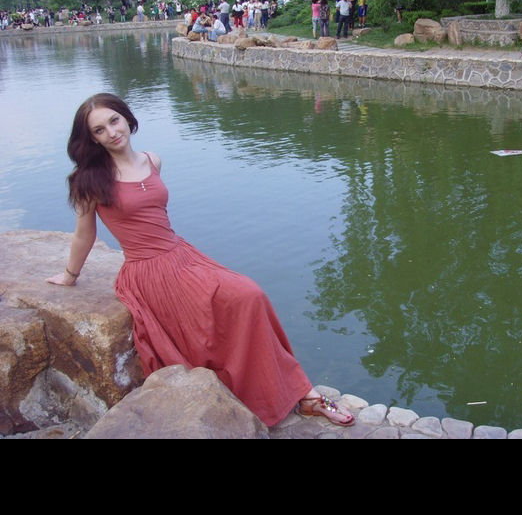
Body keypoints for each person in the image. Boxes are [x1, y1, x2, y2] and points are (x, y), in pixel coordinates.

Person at [45, 93, 355, 429]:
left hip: (182, 254)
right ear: (92, 139)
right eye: (99, 130)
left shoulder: (152, 160)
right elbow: (84, 235)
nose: (111, 132)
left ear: (126, 118)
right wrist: (70, 274)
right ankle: (300, 395)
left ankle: (302, 392)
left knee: (250, 295)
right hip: (147, 272)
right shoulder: (89, 180)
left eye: (114, 121)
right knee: (218, 316)